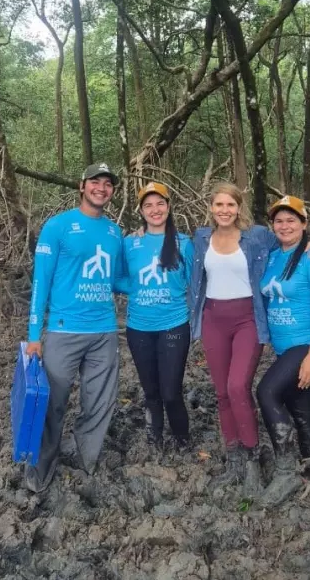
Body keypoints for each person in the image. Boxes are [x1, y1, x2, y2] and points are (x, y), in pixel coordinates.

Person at [189, 183, 310, 497]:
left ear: (239, 207)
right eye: (218, 204)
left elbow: (291, 238)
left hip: (247, 319)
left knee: (238, 386)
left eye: (230, 204)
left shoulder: (257, 236)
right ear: (211, 207)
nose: (224, 210)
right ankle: (234, 460)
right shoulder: (200, 238)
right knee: (222, 393)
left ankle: (252, 459)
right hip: (213, 319)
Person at [24, 162, 124, 493]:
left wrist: (159, 280)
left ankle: (85, 457)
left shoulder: (114, 233)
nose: (101, 188)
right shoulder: (58, 226)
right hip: (64, 330)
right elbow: (41, 282)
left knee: (99, 402)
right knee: (52, 402)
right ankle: (41, 465)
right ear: (82, 186)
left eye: (108, 184)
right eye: (95, 181)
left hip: (104, 331)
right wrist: (34, 336)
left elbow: (117, 280)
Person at [255, 195, 310, 507]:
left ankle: (285, 470)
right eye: (279, 220)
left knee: (267, 392)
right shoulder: (272, 256)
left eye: (291, 220)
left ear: (304, 224)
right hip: (286, 348)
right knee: (302, 411)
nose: (285, 225)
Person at [122, 182, 194, 455]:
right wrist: (135, 288)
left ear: (169, 206)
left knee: (171, 391)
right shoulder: (130, 243)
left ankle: (182, 439)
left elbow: (195, 281)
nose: (155, 210)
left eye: (160, 203)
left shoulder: (184, 243)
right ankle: (155, 439)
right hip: (138, 327)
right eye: (148, 205)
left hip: (174, 324)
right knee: (150, 391)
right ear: (141, 211)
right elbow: (116, 277)